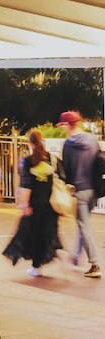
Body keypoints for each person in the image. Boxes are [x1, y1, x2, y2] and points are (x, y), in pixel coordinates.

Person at [3, 129, 60, 274]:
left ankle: (28, 263)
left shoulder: (27, 162)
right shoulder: (52, 160)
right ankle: (38, 266)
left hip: (34, 206)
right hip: (49, 205)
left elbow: (26, 185)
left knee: (27, 235)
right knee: (44, 236)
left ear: (29, 143)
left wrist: (24, 204)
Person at [58, 110, 102, 278]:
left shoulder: (68, 144)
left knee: (84, 227)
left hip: (79, 190)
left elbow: (66, 170)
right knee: (83, 225)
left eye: (62, 125)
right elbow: (99, 161)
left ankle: (95, 263)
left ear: (69, 125)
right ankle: (75, 257)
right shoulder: (92, 139)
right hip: (94, 189)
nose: (62, 128)